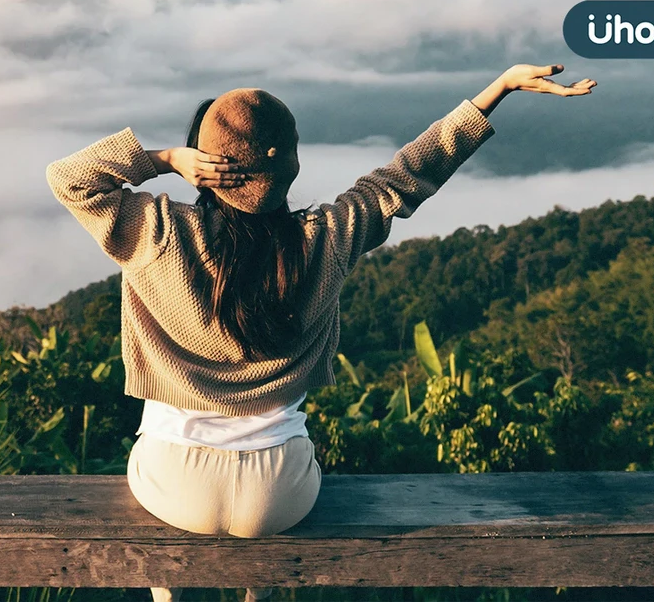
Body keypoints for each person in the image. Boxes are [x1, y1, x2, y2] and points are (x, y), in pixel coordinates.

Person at [45, 64, 596, 602]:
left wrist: (163, 159)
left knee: (146, 469)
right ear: (289, 164)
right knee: (287, 483)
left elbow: (68, 178)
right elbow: (407, 176)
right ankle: (259, 588)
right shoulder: (326, 237)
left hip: (176, 479)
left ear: (204, 163)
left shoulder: (159, 231)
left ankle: (170, 591)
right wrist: (498, 88)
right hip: (278, 489)